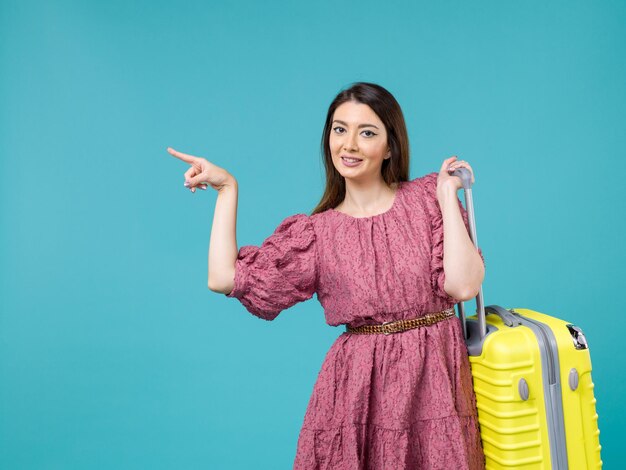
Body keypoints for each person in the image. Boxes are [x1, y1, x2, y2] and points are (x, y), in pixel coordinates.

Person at [168, 82, 486, 469]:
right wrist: (226, 190)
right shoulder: (317, 234)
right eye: (340, 129)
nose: (349, 144)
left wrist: (446, 196)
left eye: (366, 132)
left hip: (436, 387)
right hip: (357, 397)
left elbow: (464, 284)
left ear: (390, 147)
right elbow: (224, 277)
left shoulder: (426, 199)